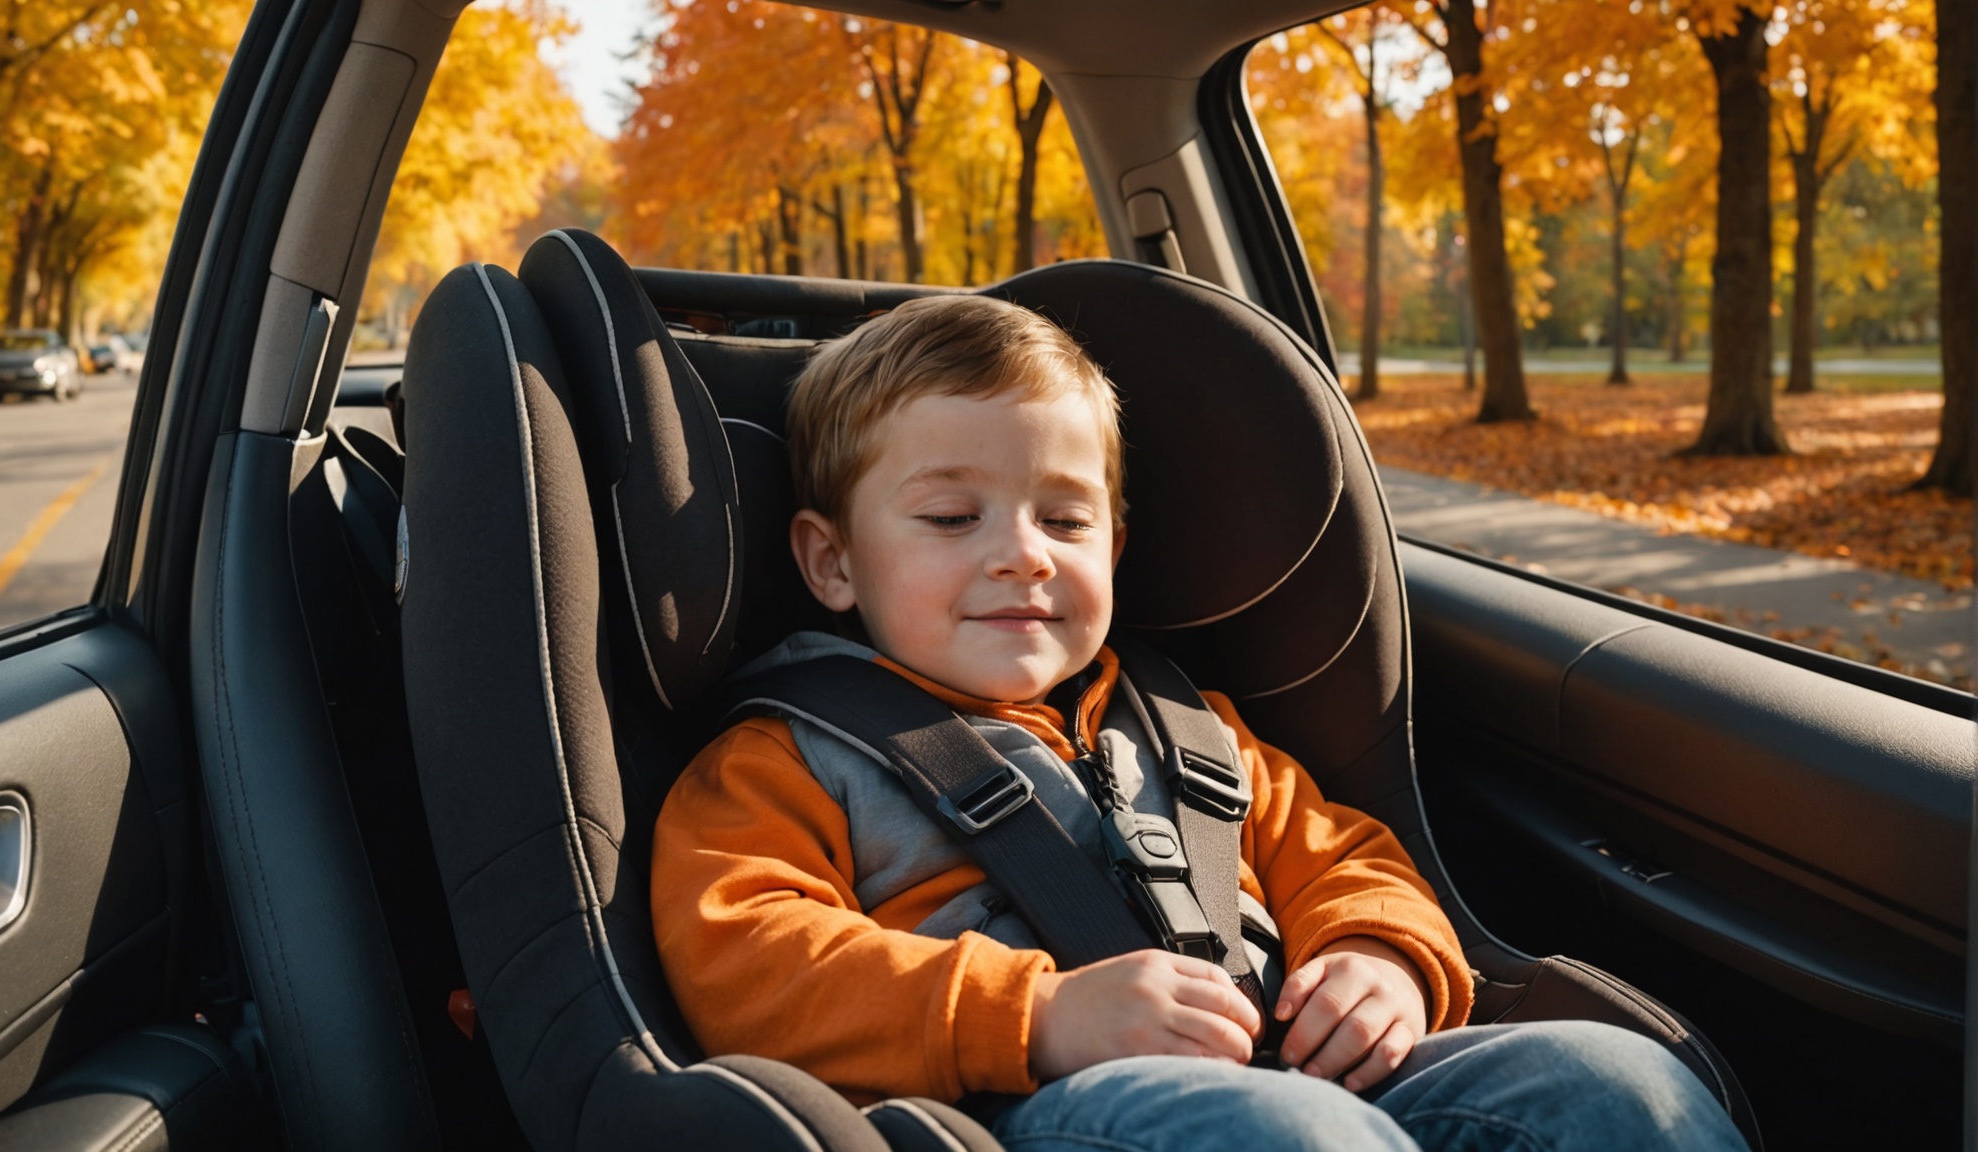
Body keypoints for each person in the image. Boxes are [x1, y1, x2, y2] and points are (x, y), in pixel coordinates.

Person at [651, 294, 1746, 1152]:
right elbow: (743, 960)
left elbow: (1344, 858)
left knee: (1615, 1084)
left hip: (1304, 1075)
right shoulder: (784, 759)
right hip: (1032, 1109)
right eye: (950, 516)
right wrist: (1035, 1016)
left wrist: (1381, 960)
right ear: (831, 562)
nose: (1024, 553)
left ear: (1113, 551)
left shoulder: (1190, 728)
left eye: (1065, 519)